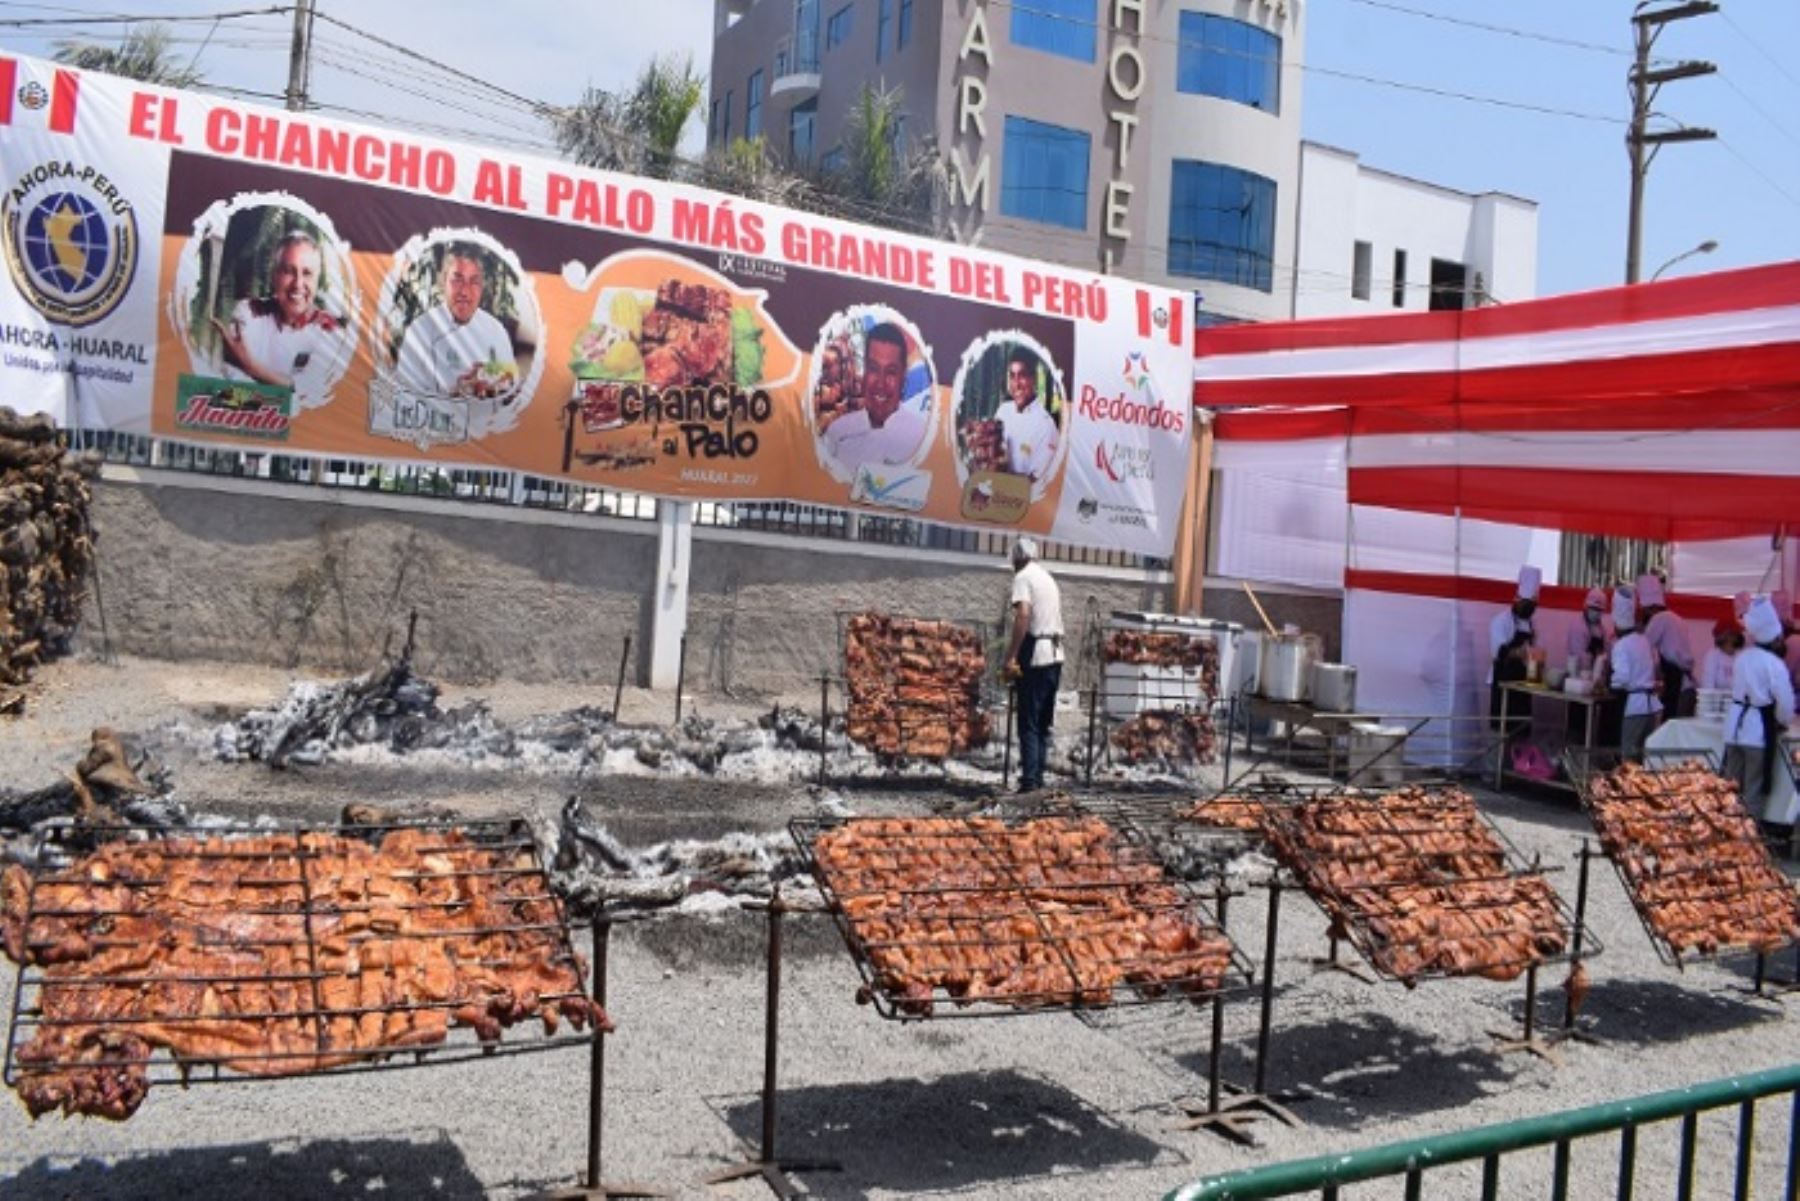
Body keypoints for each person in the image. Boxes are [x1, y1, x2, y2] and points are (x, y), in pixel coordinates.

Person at [211, 230, 347, 407]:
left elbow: (312, 395)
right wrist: (286, 391)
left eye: (307, 273)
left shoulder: (331, 330)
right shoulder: (248, 312)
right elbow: (228, 388)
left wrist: (252, 368)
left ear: (317, 279)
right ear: (274, 275)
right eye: (289, 271)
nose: (298, 284)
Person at [394, 245, 519, 398]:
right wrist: (453, 394)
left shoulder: (496, 330)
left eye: (474, 281)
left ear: (482, 287)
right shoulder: (419, 330)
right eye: (457, 279)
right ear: (443, 282)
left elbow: (511, 379)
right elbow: (403, 393)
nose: (465, 292)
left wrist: (491, 376)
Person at [1723, 596, 1796, 825]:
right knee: (1752, 790)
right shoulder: (1774, 664)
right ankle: (1748, 841)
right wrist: (1782, 720)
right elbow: (1785, 703)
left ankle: (1724, 831)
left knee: (1729, 786)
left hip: (1733, 728)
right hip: (1757, 733)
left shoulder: (1742, 657)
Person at [1002, 537, 1065, 794]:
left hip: (1036, 655)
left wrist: (1012, 655)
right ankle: (1038, 778)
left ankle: (1029, 783)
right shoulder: (1047, 578)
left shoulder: (1023, 578)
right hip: (1056, 656)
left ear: (1017, 558)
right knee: (1042, 722)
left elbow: (1024, 614)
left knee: (1027, 721)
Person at [822, 323, 927, 474]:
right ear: (864, 373)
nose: (880, 383)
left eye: (891, 372)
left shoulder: (920, 437)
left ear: (903, 377)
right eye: (873, 369)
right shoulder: (838, 432)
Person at [1609, 585, 1662, 761]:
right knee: (1644, 759)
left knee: (1629, 758)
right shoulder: (1643, 640)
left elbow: (1622, 679)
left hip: (1634, 707)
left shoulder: (1621, 645)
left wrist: (1609, 682)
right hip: (1652, 706)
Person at [1489, 566, 1540, 743]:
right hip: (1503, 681)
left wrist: (1537, 674)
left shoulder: (1532, 625)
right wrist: (1518, 653)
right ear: (1517, 601)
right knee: (1500, 731)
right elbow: (1498, 652)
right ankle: (1493, 769)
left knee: (1521, 731)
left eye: (1532, 606)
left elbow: (1536, 654)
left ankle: (1519, 767)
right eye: (1527, 605)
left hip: (1523, 686)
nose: (1530, 610)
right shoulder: (1501, 621)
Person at [994, 347, 1059, 482]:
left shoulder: (1046, 426)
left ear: (1033, 378)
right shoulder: (1003, 411)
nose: (1016, 384)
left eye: (1022, 375)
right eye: (1012, 376)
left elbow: (1036, 482)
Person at [1637, 573, 1694, 719]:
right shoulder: (1677, 619)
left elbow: (1642, 648)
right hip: (1687, 685)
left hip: (1677, 684)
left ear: (1648, 607)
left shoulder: (1658, 619)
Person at [1565, 587, 1613, 676]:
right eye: (1593, 608)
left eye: (1599, 610)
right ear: (1586, 606)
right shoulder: (1578, 626)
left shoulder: (1602, 629)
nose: (1596, 612)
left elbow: (1606, 650)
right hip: (1578, 675)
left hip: (1596, 676)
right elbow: (1578, 656)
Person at [1697, 618, 1743, 693]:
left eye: (1736, 635)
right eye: (1732, 635)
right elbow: (1708, 686)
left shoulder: (1741, 656)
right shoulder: (1713, 656)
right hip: (1717, 701)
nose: (1735, 638)